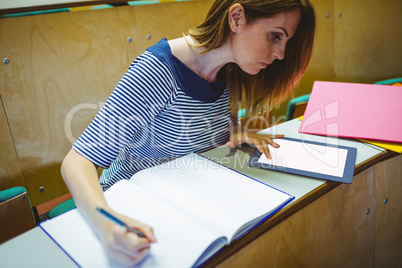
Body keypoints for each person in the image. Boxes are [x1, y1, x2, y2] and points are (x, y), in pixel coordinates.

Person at [61, 0, 316, 266]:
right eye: (275, 36)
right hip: (127, 205)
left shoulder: (229, 69)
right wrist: (105, 223)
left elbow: (186, 128)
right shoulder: (157, 70)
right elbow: (77, 160)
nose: (281, 54)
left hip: (186, 198)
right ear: (237, 18)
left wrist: (233, 130)